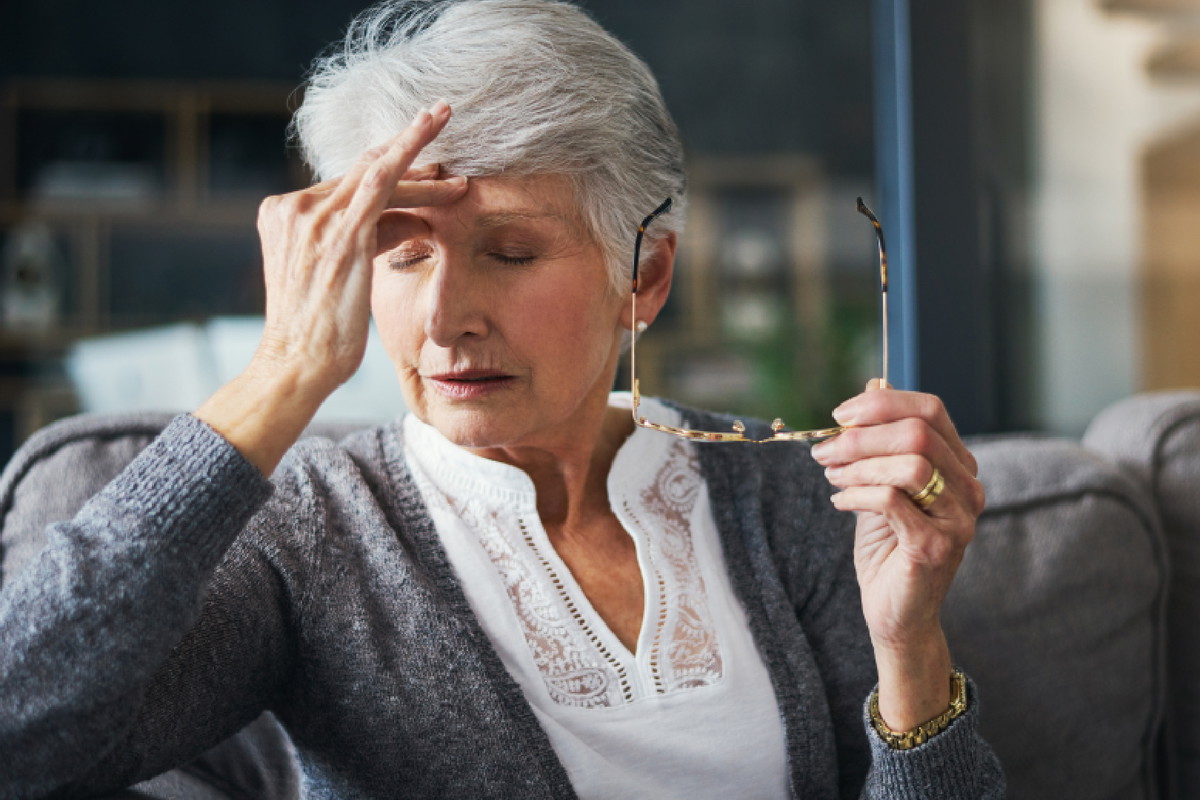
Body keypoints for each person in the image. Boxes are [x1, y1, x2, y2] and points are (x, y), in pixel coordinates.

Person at [0, 0, 1004, 797]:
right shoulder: (312, 529)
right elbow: (20, 729)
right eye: (399, 250)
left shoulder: (791, 491)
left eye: (511, 252)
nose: (444, 317)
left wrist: (911, 648)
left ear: (644, 277)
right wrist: (280, 371)